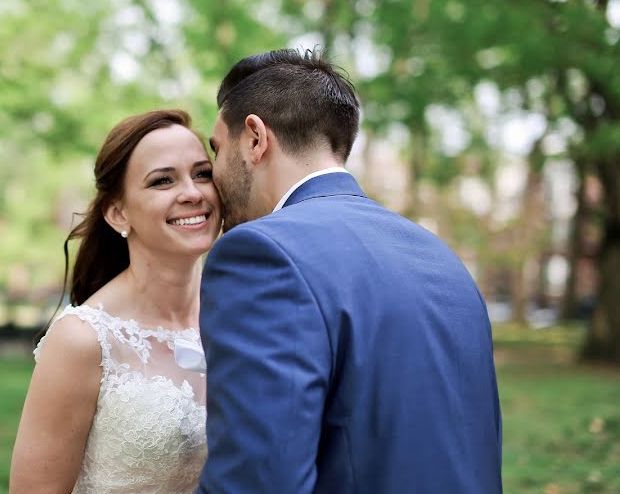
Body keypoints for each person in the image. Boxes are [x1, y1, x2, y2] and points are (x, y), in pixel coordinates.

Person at [197, 49, 502, 493]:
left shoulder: (260, 254)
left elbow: (258, 480)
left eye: (217, 151)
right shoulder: (440, 258)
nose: (214, 177)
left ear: (256, 139)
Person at [9, 109, 221, 494]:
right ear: (118, 213)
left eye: (202, 173)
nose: (192, 193)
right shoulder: (82, 340)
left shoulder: (237, 317)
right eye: (163, 181)